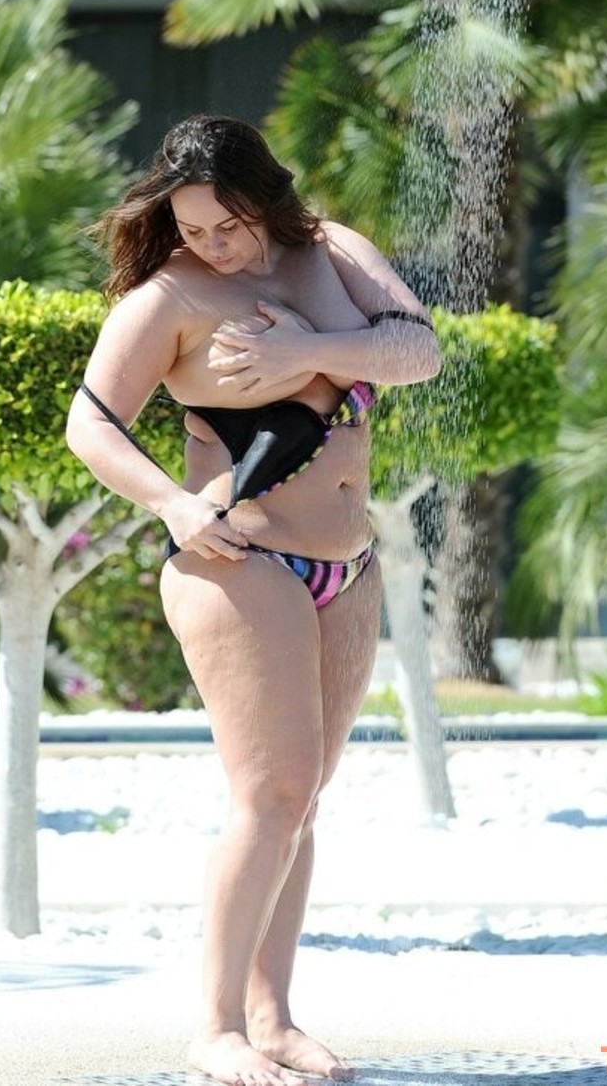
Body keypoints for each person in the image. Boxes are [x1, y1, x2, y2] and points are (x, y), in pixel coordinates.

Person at [66, 114, 441, 1086]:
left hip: (344, 565)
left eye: (227, 225)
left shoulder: (331, 253)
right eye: (192, 228)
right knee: (269, 795)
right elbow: (90, 424)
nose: (212, 245)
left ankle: (273, 1019)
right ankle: (217, 1027)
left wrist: (305, 350)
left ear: (264, 198)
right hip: (241, 561)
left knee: (301, 800)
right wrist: (172, 504)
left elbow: (418, 350)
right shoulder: (168, 296)